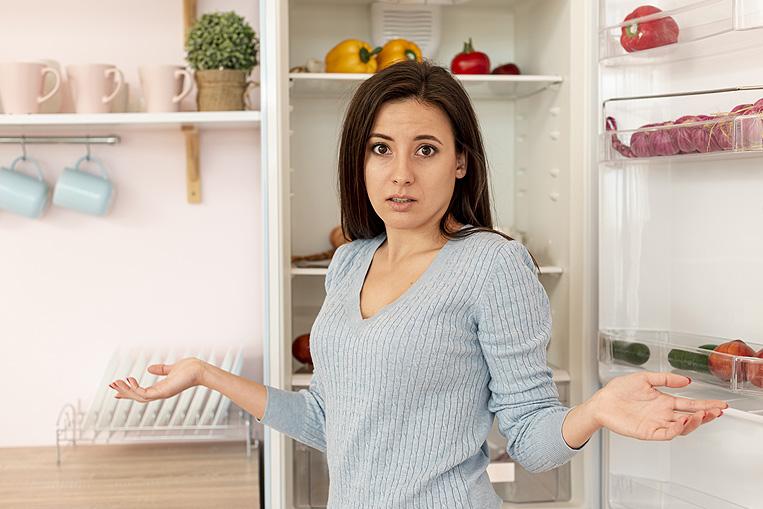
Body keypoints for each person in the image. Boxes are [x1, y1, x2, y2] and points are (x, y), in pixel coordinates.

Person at [110, 60, 728, 508]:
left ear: (460, 163)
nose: (400, 174)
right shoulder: (351, 261)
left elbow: (531, 439)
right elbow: (329, 421)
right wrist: (204, 373)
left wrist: (592, 411)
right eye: (381, 149)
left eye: (426, 150)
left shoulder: (492, 264)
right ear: (361, 159)